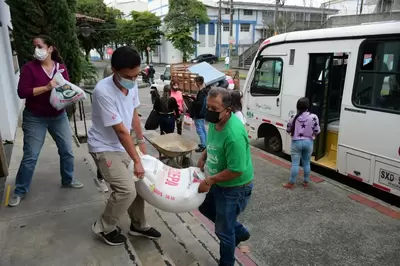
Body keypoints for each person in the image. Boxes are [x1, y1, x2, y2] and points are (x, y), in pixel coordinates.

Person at [88, 46, 161, 246]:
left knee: (139, 183)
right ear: (114, 70)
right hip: (104, 146)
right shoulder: (103, 92)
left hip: (124, 143)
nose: (133, 79)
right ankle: (104, 226)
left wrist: (141, 142)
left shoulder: (132, 85)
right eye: (129, 76)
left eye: (137, 75)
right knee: (126, 190)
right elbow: (120, 131)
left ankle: (138, 225)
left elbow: (133, 115)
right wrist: (136, 159)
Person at [8, 35, 83, 207]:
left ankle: (68, 179)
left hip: (58, 115)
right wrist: (47, 87)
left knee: (67, 151)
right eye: (34, 46)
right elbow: (22, 92)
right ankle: (20, 190)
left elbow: (66, 88)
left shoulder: (61, 68)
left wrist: (71, 93)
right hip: (35, 117)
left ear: (50, 48)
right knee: (31, 156)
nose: (36, 50)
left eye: (40, 46)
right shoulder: (29, 69)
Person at [197, 87, 254, 266]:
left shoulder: (234, 135)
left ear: (227, 110)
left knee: (223, 231)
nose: (210, 112)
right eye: (208, 107)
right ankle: (240, 232)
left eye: (214, 109)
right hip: (219, 183)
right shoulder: (215, 122)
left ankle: (227, 262)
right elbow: (213, 142)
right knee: (204, 207)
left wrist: (210, 180)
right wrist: (203, 156)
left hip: (234, 187)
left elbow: (236, 170)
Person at [283, 97, 321, 189]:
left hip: (296, 143)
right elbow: (317, 131)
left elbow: (288, 130)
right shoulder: (314, 117)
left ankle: (291, 183)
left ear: (298, 107)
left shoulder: (293, 118)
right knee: (306, 163)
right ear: (308, 106)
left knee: (295, 164)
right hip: (308, 142)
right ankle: (305, 182)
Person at [192, 76, 209, 152]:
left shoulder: (201, 92)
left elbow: (199, 104)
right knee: (203, 129)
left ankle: (203, 145)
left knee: (200, 130)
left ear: (198, 83)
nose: (194, 84)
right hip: (203, 114)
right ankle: (205, 143)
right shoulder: (204, 91)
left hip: (199, 114)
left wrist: (193, 101)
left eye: (195, 82)